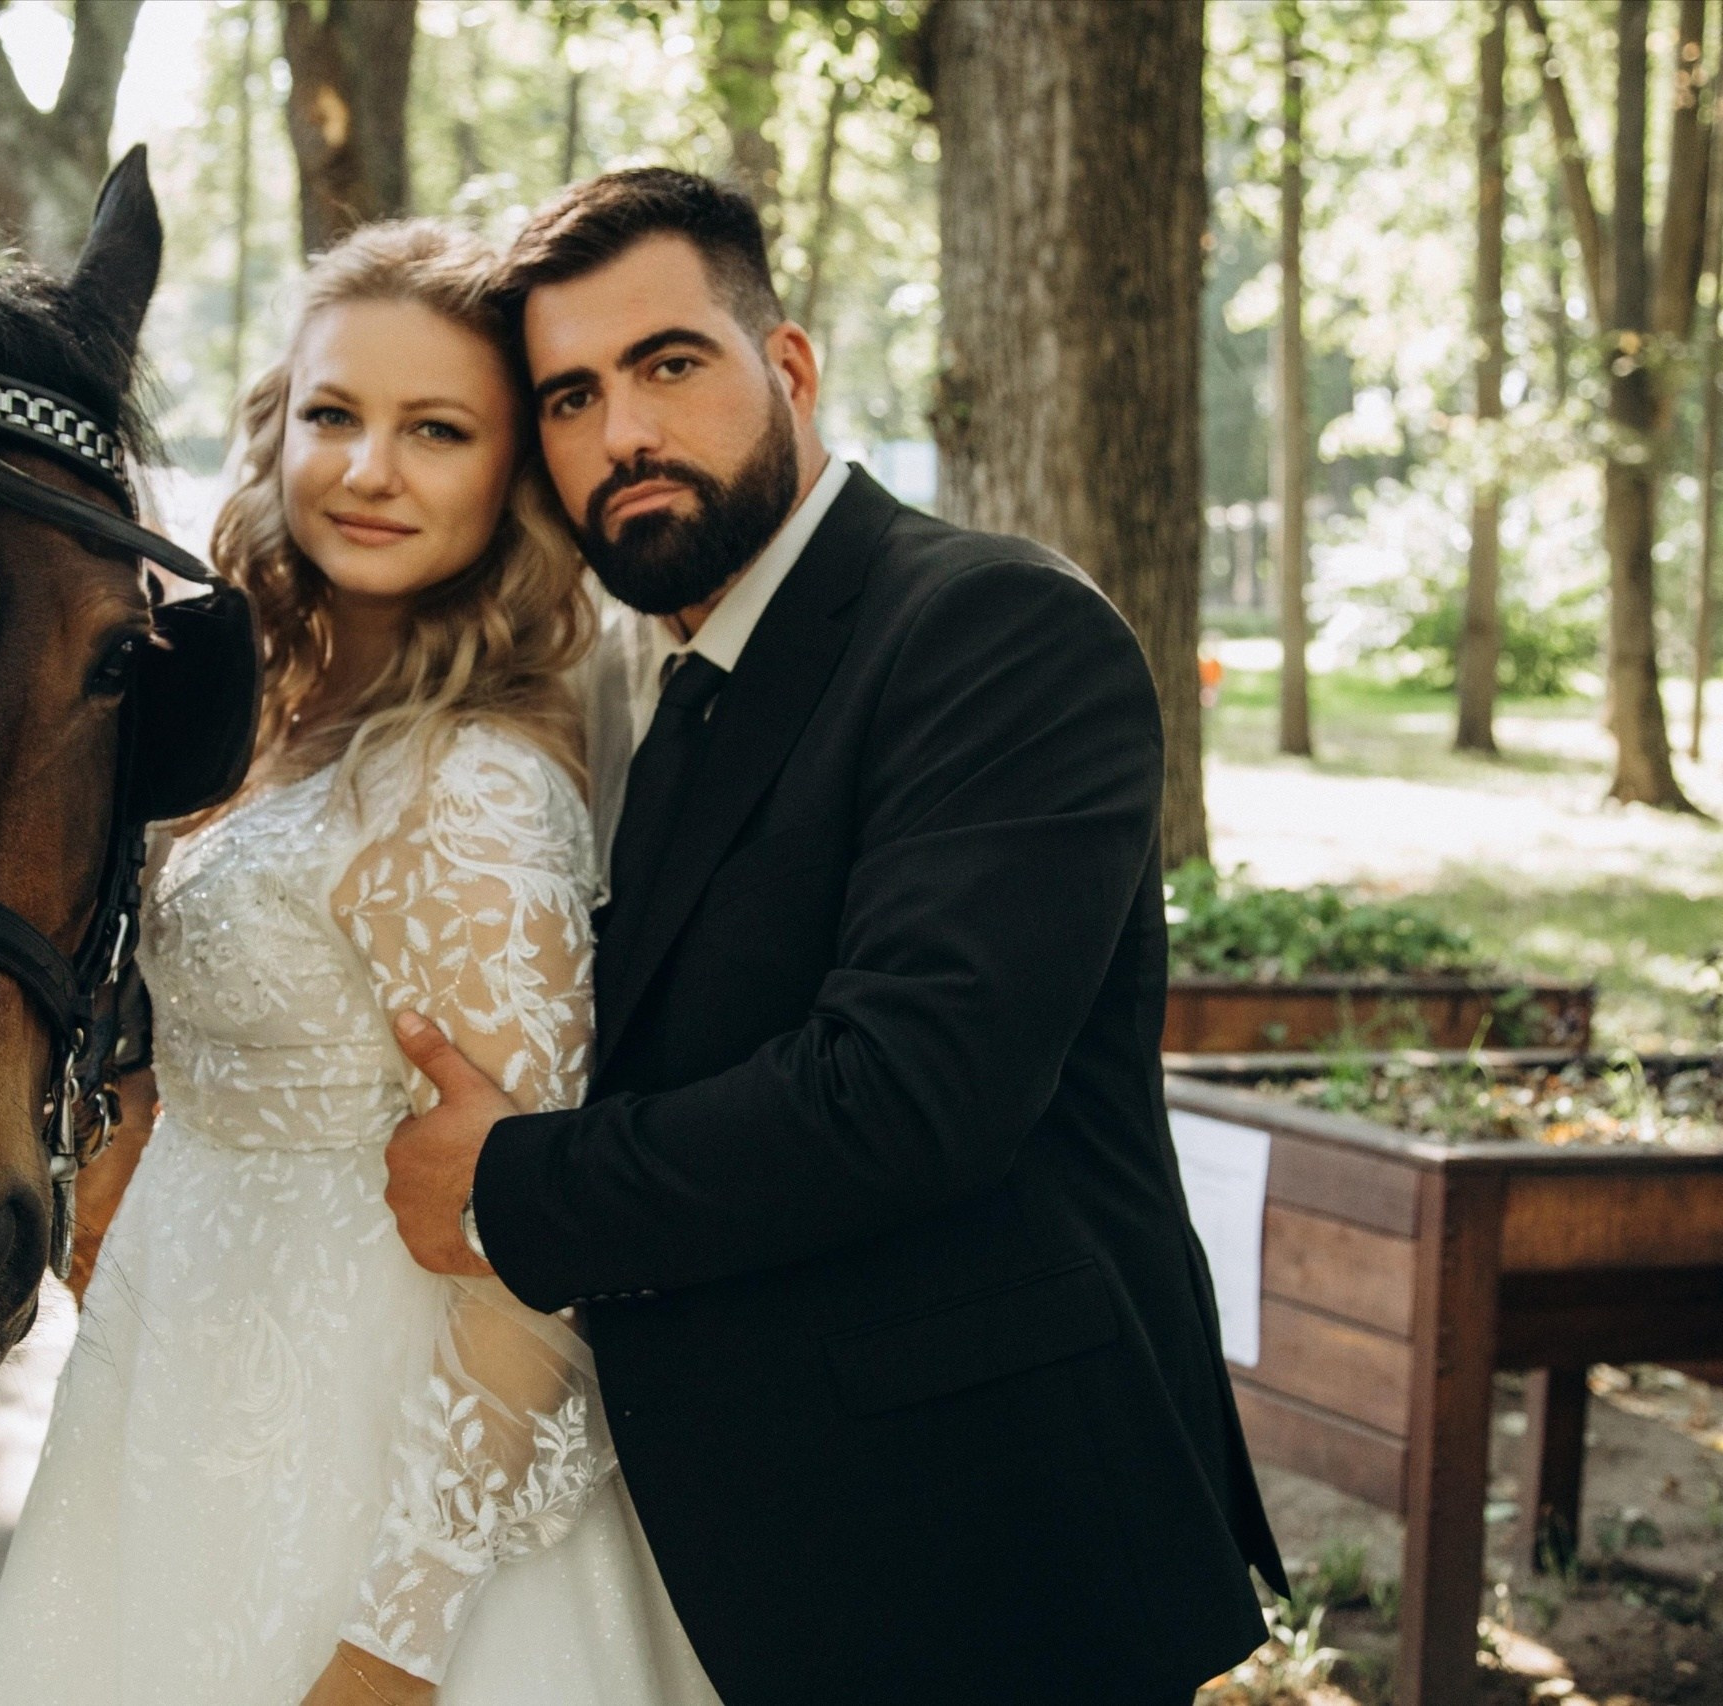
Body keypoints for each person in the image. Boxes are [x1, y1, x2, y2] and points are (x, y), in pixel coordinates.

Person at [381, 170, 1288, 1705]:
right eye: (571, 397)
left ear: (786, 370)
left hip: (989, 1553)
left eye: (671, 364)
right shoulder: (634, 688)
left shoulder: (993, 628)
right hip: (751, 1559)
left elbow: (909, 1092)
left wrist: (512, 1186)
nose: (625, 434)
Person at [0, 222, 716, 1706]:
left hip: (371, 1498)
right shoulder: (270, 723)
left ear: (511, 477)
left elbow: (532, 1268)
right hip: (177, 1416)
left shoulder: (480, 789)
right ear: (277, 428)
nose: (369, 468)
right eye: (335, 415)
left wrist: (394, 1643)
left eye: (436, 431)